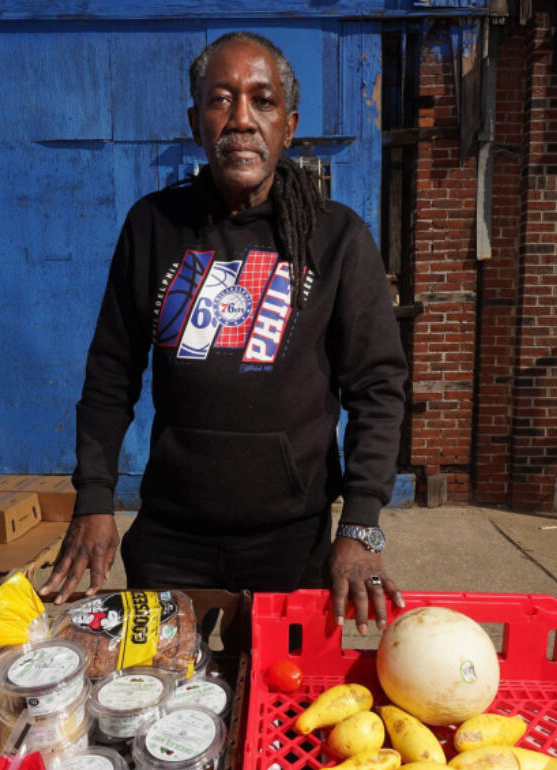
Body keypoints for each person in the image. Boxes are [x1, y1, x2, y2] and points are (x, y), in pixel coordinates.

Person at [40, 31, 408, 633]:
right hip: (170, 535)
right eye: (221, 99)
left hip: (291, 542)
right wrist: (95, 497)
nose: (241, 119)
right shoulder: (153, 226)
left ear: (288, 127)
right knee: (159, 704)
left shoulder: (335, 238)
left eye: (261, 101)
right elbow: (110, 375)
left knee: (275, 703)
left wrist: (361, 523)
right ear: (196, 121)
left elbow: (378, 388)